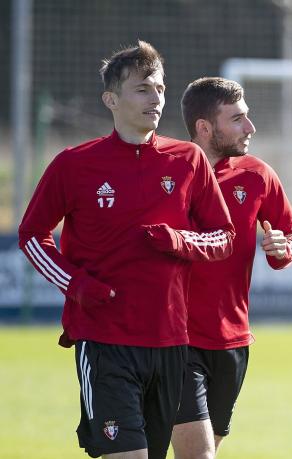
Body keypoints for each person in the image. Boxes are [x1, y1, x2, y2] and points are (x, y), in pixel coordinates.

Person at [18, 41, 235, 459]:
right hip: (105, 342)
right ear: (111, 99)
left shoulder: (188, 159)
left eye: (160, 88)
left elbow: (223, 236)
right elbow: (32, 235)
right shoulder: (74, 164)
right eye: (142, 89)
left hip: (172, 342)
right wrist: (76, 284)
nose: (156, 98)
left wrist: (179, 239)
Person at [171, 77, 292, 459]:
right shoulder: (169, 172)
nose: (251, 128)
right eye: (238, 119)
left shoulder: (257, 174)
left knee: (206, 449)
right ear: (204, 127)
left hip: (233, 340)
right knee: (198, 455)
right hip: (176, 339)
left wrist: (282, 247)